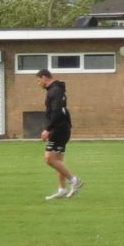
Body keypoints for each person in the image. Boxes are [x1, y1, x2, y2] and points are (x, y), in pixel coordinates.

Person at [38, 69, 82, 198]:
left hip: (59, 129)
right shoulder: (56, 89)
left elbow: (57, 112)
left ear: (44, 77)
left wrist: (48, 129)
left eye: (38, 80)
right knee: (58, 161)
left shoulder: (55, 91)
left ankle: (74, 180)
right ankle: (62, 190)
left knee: (49, 159)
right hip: (62, 128)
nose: (38, 83)